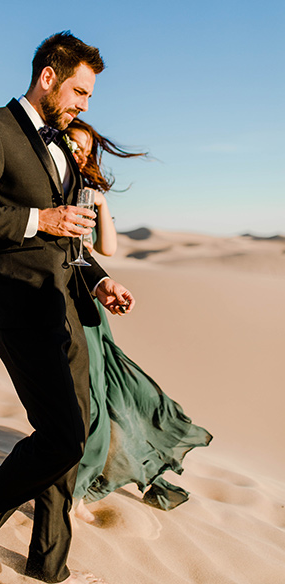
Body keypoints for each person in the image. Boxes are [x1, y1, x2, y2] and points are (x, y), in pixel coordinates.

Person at [0, 32, 136, 584]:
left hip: (67, 307)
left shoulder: (63, 149)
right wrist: (38, 220)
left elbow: (68, 243)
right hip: (17, 308)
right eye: (79, 90)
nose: (85, 104)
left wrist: (98, 281)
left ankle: (50, 568)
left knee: (69, 441)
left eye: (91, 96)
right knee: (63, 436)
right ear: (48, 76)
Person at [64, 119, 212, 524]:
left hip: (88, 303)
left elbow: (105, 248)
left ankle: (83, 484)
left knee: (112, 392)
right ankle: (73, 492)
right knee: (89, 399)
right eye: (72, 146)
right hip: (64, 302)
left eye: (85, 149)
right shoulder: (53, 186)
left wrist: (100, 201)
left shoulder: (82, 191)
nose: (79, 154)